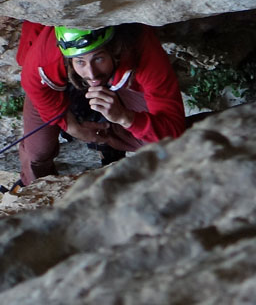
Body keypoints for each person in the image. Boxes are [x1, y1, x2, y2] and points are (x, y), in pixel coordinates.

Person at [14, 21, 184, 188]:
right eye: (80, 61)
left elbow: (172, 134)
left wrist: (125, 117)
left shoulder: (142, 53)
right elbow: (34, 85)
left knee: (156, 144)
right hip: (55, 81)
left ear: (113, 50)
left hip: (124, 73)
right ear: (69, 60)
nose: (91, 73)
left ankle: (109, 140)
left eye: (99, 58)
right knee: (37, 151)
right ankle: (33, 187)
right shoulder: (46, 57)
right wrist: (69, 126)